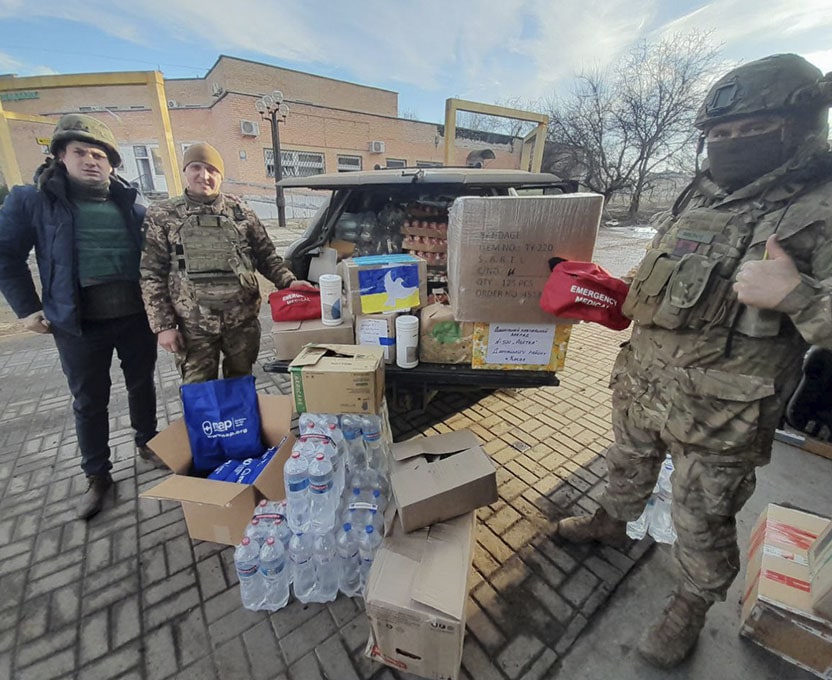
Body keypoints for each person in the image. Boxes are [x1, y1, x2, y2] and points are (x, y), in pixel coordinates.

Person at [556, 53, 832, 669]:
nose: (732, 143)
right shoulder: (699, 190)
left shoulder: (822, 204)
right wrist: (619, 289)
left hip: (722, 414)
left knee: (702, 515)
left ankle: (690, 604)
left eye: (752, 129)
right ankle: (610, 523)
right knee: (626, 464)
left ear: (800, 126)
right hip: (644, 382)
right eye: (720, 132)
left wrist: (798, 295)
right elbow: (667, 263)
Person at [0, 114, 160, 520]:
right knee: (90, 400)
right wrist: (28, 308)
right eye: (81, 152)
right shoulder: (34, 200)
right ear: (61, 156)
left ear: (111, 163)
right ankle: (98, 475)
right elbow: (5, 254)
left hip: (135, 316)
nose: (91, 160)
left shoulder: (131, 204)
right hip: (79, 324)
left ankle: (147, 442)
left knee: (142, 384)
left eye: (100, 155)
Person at [141, 143, 310, 383]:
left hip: (241, 321)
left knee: (240, 384)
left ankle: (241, 411)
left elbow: (267, 257)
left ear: (221, 175)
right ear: (185, 171)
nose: (204, 176)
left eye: (212, 170)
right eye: (196, 167)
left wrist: (290, 283)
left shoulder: (242, 212)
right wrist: (163, 326)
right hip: (194, 327)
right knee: (199, 391)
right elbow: (152, 274)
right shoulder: (162, 215)